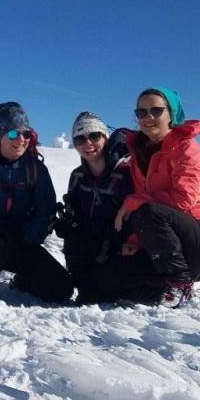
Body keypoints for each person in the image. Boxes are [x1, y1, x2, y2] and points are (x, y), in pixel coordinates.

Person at [99, 86, 200, 306]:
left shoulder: (186, 147)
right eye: (141, 112)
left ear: (171, 114)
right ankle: (162, 294)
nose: (148, 117)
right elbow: (146, 198)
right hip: (172, 249)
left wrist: (132, 202)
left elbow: (182, 200)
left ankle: (179, 286)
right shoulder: (139, 153)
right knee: (108, 278)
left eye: (156, 111)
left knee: (148, 210)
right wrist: (134, 241)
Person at [0, 101, 73, 302]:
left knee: (61, 289)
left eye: (26, 134)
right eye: (14, 133)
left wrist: (27, 235)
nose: (21, 140)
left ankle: (22, 281)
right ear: (0, 135)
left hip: (22, 242)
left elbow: (45, 212)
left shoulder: (36, 170)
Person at [53, 111, 134, 305]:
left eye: (94, 136)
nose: (87, 144)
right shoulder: (77, 176)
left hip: (119, 247)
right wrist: (66, 224)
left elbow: (134, 220)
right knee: (88, 293)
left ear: (105, 137)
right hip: (86, 249)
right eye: (80, 139)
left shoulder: (125, 175)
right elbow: (74, 214)